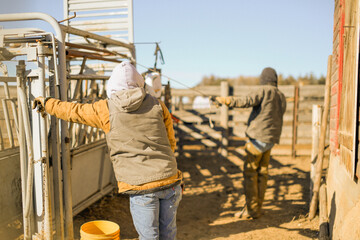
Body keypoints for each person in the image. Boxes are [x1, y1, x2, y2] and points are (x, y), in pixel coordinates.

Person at [33, 62, 183, 240]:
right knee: (169, 234)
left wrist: (47, 103)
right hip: (170, 180)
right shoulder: (157, 105)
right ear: (140, 82)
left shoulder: (105, 109)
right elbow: (170, 141)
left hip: (141, 187)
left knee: (149, 237)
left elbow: (74, 111)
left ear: (112, 85)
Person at [214, 67, 286, 219]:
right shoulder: (280, 95)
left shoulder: (264, 90)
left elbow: (244, 101)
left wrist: (224, 100)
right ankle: (257, 208)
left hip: (257, 139)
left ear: (263, 79)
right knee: (262, 173)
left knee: (250, 174)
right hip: (270, 140)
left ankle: (252, 211)